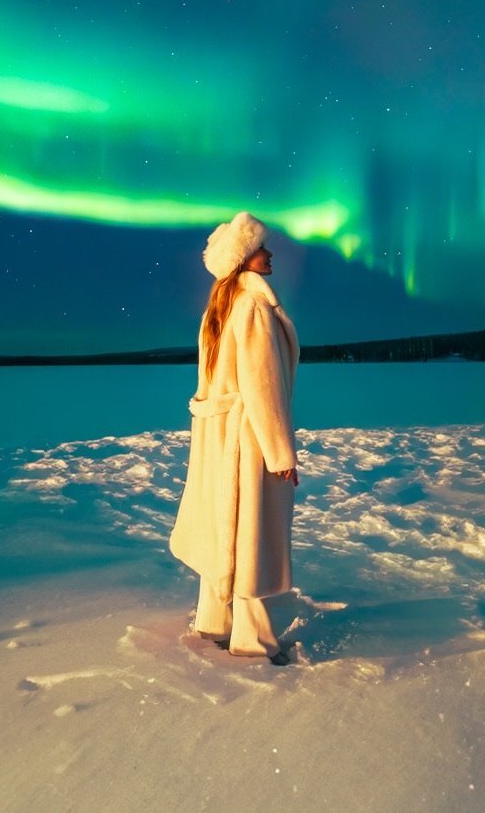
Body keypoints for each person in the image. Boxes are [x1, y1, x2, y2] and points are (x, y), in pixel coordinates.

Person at [169, 211, 299, 665]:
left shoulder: (217, 310)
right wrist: (280, 452)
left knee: (221, 527)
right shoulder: (253, 308)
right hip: (247, 439)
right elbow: (263, 387)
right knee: (250, 534)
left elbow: (210, 385)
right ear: (244, 259)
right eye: (262, 247)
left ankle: (212, 622)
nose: (270, 254)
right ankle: (255, 641)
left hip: (218, 435)